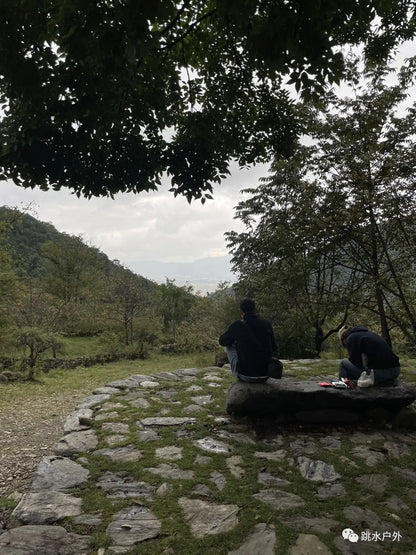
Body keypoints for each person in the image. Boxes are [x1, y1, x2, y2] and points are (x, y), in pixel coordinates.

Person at [219, 298, 278, 383]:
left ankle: (237, 373)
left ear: (241, 311)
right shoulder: (266, 324)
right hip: (266, 374)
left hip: (246, 375)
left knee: (229, 346)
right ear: (254, 309)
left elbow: (222, 341)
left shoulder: (238, 325)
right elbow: (274, 347)